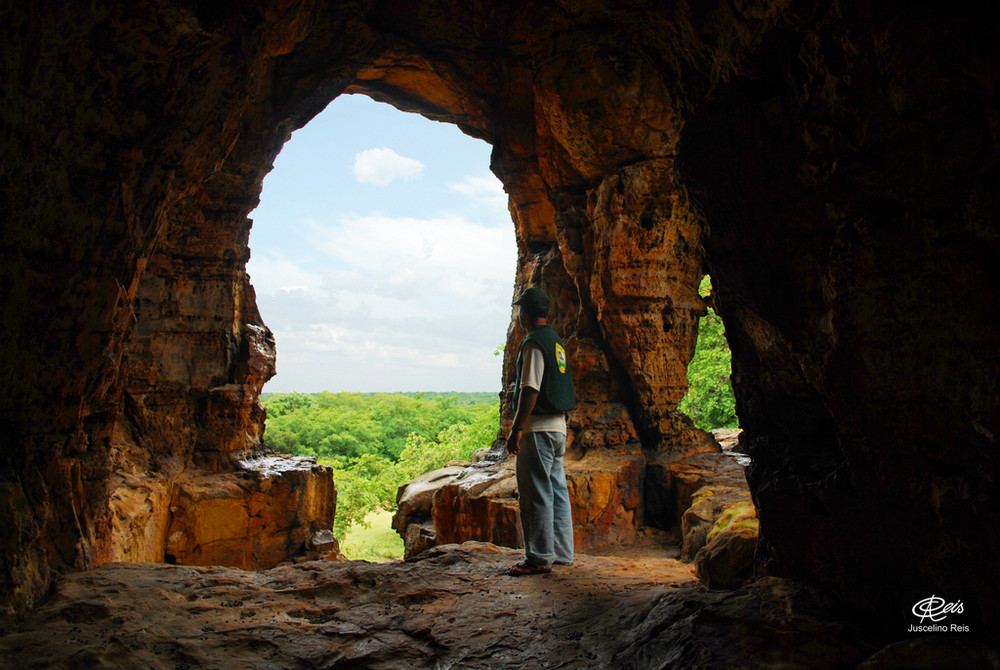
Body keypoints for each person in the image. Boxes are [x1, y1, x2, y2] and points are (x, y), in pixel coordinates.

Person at [505, 286, 576, 576]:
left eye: (519, 310)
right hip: (558, 427)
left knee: (536, 494)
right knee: (557, 490)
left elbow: (530, 390)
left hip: (538, 428)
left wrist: (516, 427)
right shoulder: (556, 342)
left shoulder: (534, 343)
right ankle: (562, 552)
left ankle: (539, 558)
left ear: (525, 312)